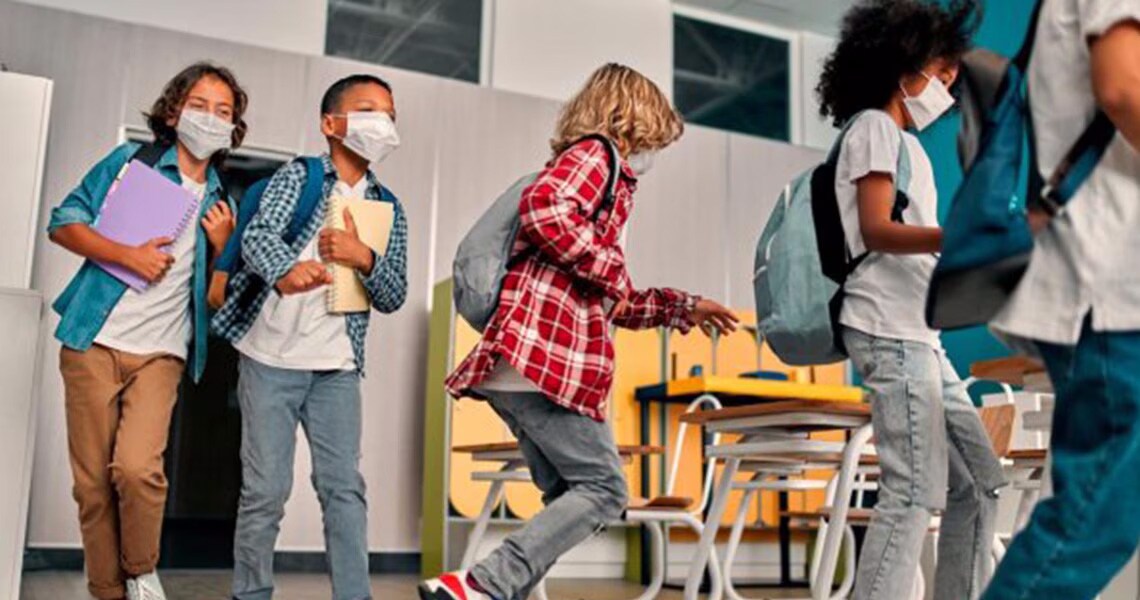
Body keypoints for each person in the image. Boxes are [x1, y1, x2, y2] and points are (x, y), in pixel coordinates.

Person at [418, 63, 739, 600]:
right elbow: (546, 211)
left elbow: (612, 304)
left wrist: (682, 308)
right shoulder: (597, 155)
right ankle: (481, 585)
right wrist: (611, 268)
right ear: (634, 118)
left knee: (568, 496)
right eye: (656, 136)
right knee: (604, 490)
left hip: (520, 364)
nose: (653, 154)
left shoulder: (597, 183)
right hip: (544, 363)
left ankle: (493, 591)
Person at [815, 2, 1007, 599]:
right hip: (890, 331)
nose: (945, 87)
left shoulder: (904, 146)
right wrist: (957, 237)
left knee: (979, 481)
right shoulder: (873, 127)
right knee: (912, 491)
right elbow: (876, 230)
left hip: (921, 337)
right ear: (901, 63)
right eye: (940, 73)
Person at [46, 62, 246, 600]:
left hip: (161, 354)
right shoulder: (130, 164)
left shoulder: (221, 201)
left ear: (234, 128)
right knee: (91, 486)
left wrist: (225, 244)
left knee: (136, 470)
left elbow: (214, 302)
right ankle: (107, 591)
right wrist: (125, 254)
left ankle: (141, 570)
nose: (210, 118)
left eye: (223, 112)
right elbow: (61, 221)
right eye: (200, 105)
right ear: (174, 111)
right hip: (93, 341)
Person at [211, 73, 407, 600]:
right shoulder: (299, 177)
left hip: (337, 368)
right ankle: (251, 593)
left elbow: (393, 294)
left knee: (344, 489)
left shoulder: (388, 207)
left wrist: (363, 256)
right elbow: (257, 234)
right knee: (266, 492)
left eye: (389, 114)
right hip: (269, 359)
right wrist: (284, 272)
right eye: (368, 111)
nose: (382, 124)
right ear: (330, 124)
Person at [983, 2, 1140, 598]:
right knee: (1094, 516)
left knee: (1095, 509)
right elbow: (1124, 87)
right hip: (1111, 285)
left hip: (1107, 279)